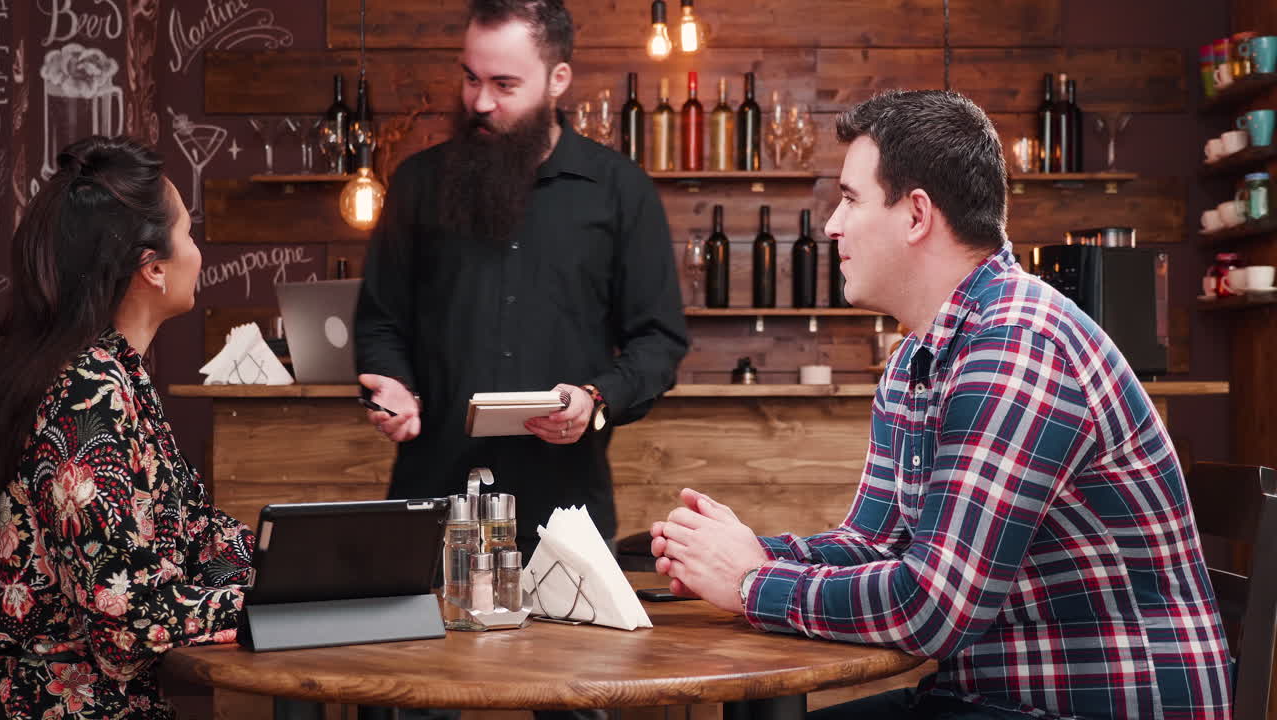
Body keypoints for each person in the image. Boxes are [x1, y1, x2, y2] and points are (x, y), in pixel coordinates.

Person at [650, 91, 1233, 719]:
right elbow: (877, 544)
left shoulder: (1018, 344)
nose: (831, 226)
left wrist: (747, 583)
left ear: (916, 215)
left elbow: (931, 606)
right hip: (991, 696)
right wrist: (745, 552)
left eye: (850, 199)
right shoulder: (917, 358)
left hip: (1102, 702)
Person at [354, 0, 688, 560]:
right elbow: (379, 323)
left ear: (558, 79)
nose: (481, 102)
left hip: (563, 512)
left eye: (505, 84)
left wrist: (596, 398)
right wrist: (389, 385)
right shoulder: (417, 184)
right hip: (432, 501)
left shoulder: (618, 191)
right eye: (470, 78)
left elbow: (659, 341)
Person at [0, 136, 254, 720]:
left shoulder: (115, 376)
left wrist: (301, 570)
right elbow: (127, 616)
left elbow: (191, 534)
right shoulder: (87, 395)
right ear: (154, 268)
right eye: (188, 234)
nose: (199, 253)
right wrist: (269, 605)